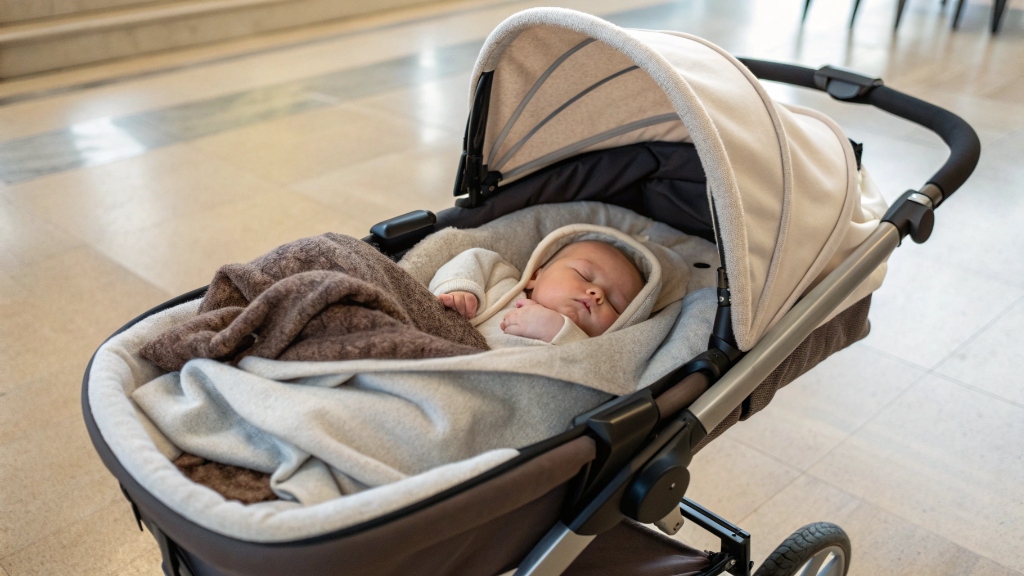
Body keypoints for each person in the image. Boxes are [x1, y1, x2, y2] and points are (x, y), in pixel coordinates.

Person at [429, 225, 654, 346]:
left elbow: (582, 371)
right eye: (584, 275)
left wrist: (560, 332)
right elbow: (471, 259)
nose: (597, 293)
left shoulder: (584, 347)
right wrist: (459, 290)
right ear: (536, 275)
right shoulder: (503, 280)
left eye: (615, 305)